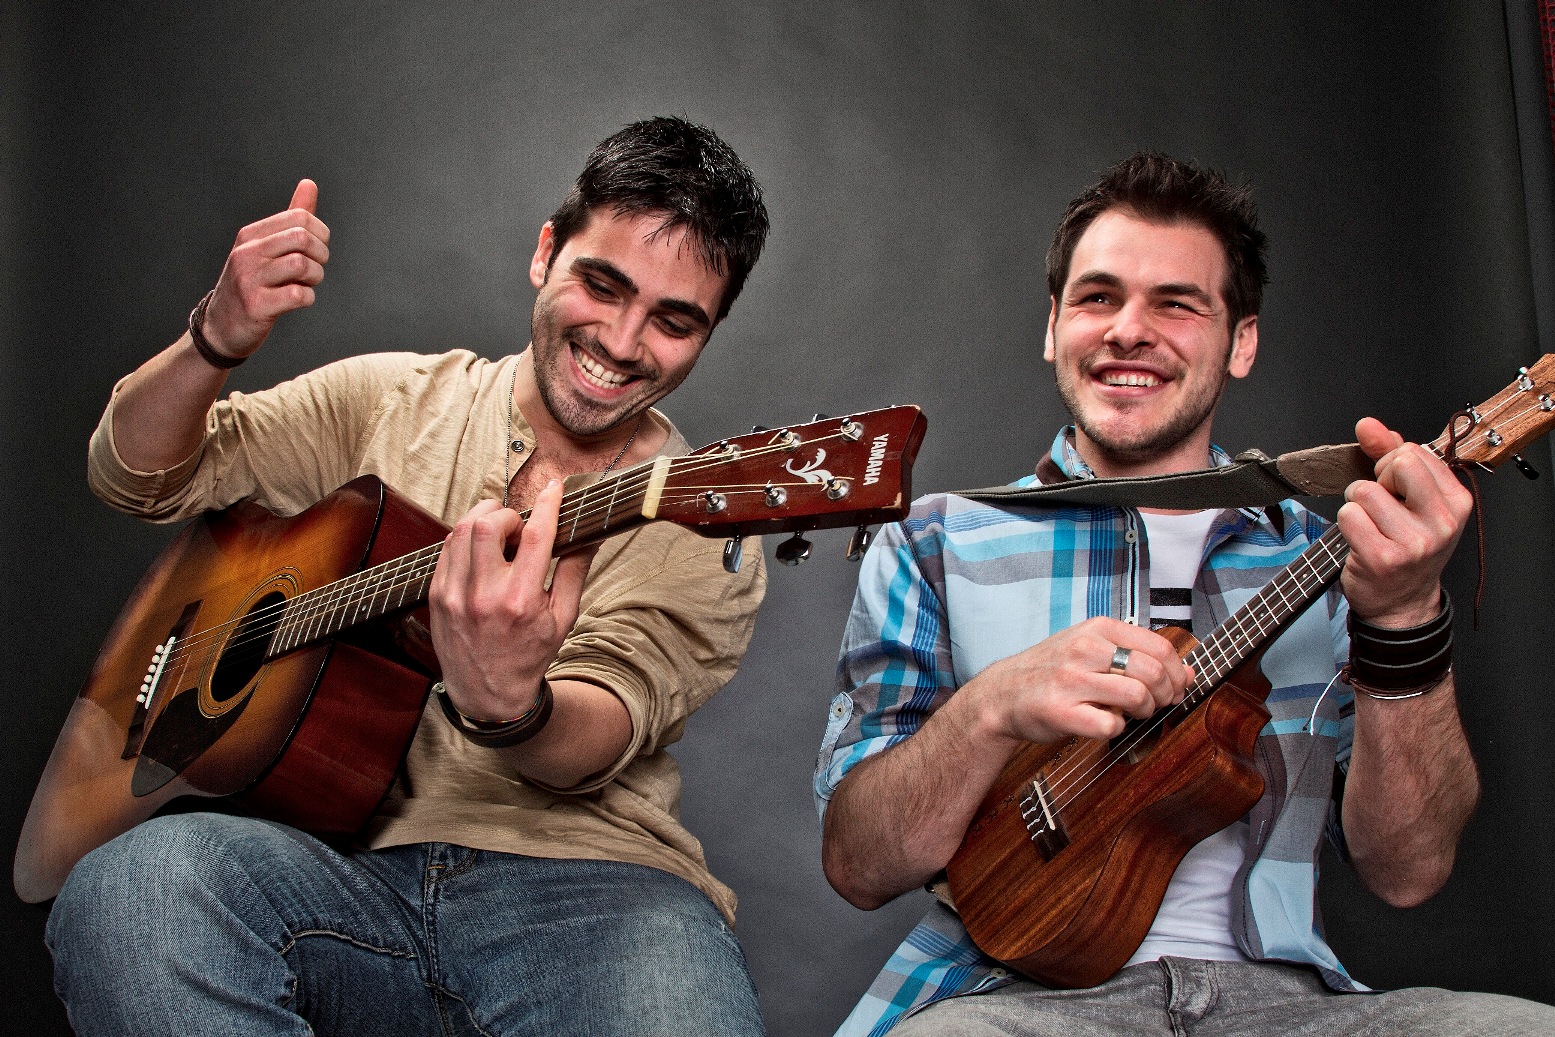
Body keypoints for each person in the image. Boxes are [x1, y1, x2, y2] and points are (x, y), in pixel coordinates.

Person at [43, 116, 771, 1036]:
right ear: (545, 252)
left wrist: (512, 704)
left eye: (673, 321)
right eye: (602, 283)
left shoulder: (707, 515)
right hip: (336, 872)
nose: (623, 342)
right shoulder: (392, 397)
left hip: (596, 894)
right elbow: (137, 476)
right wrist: (213, 341)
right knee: (132, 889)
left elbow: (603, 724)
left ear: (707, 335)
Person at [814, 152, 1555, 1035]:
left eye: (1176, 303)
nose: (1129, 330)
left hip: (1284, 1006)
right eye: (1097, 298)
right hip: (1009, 1002)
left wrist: (1401, 617)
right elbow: (858, 865)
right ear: (1052, 326)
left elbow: (1408, 869)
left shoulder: (1332, 557)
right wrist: (989, 708)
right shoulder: (933, 541)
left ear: (1240, 341)